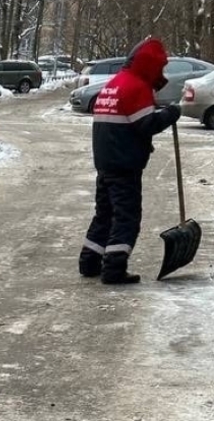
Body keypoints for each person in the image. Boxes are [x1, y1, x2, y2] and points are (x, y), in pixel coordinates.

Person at [78, 36, 183, 285]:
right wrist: (171, 113)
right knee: (126, 217)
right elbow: (146, 124)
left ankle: (89, 260)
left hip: (106, 162)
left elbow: (125, 125)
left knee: (104, 214)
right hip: (124, 166)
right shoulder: (136, 86)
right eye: (160, 68)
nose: (162, 73)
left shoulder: (115, 84)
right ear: (150, 66)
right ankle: (114, 269)